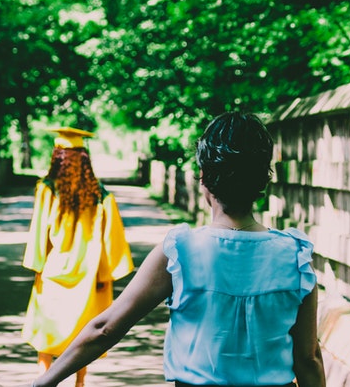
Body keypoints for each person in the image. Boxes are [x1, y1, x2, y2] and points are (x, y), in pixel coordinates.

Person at [23, 112, 326, 387]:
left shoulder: (181, 251)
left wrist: (44, 382)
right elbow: (308, 358)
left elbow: (105, 329)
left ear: (203, 178)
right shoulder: (295, 256)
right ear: (264, 178)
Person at [21, 126, 134, 387]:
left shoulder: (48, 189)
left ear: (56, 157)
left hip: (53, 273)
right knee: (83, 334)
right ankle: (79, 382)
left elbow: (39, 235)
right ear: (85, 159)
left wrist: (37, 265)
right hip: (88, 275)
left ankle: (43, 379)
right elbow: (110, 239)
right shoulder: (100, 195)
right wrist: (105, 275)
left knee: (46, 335)